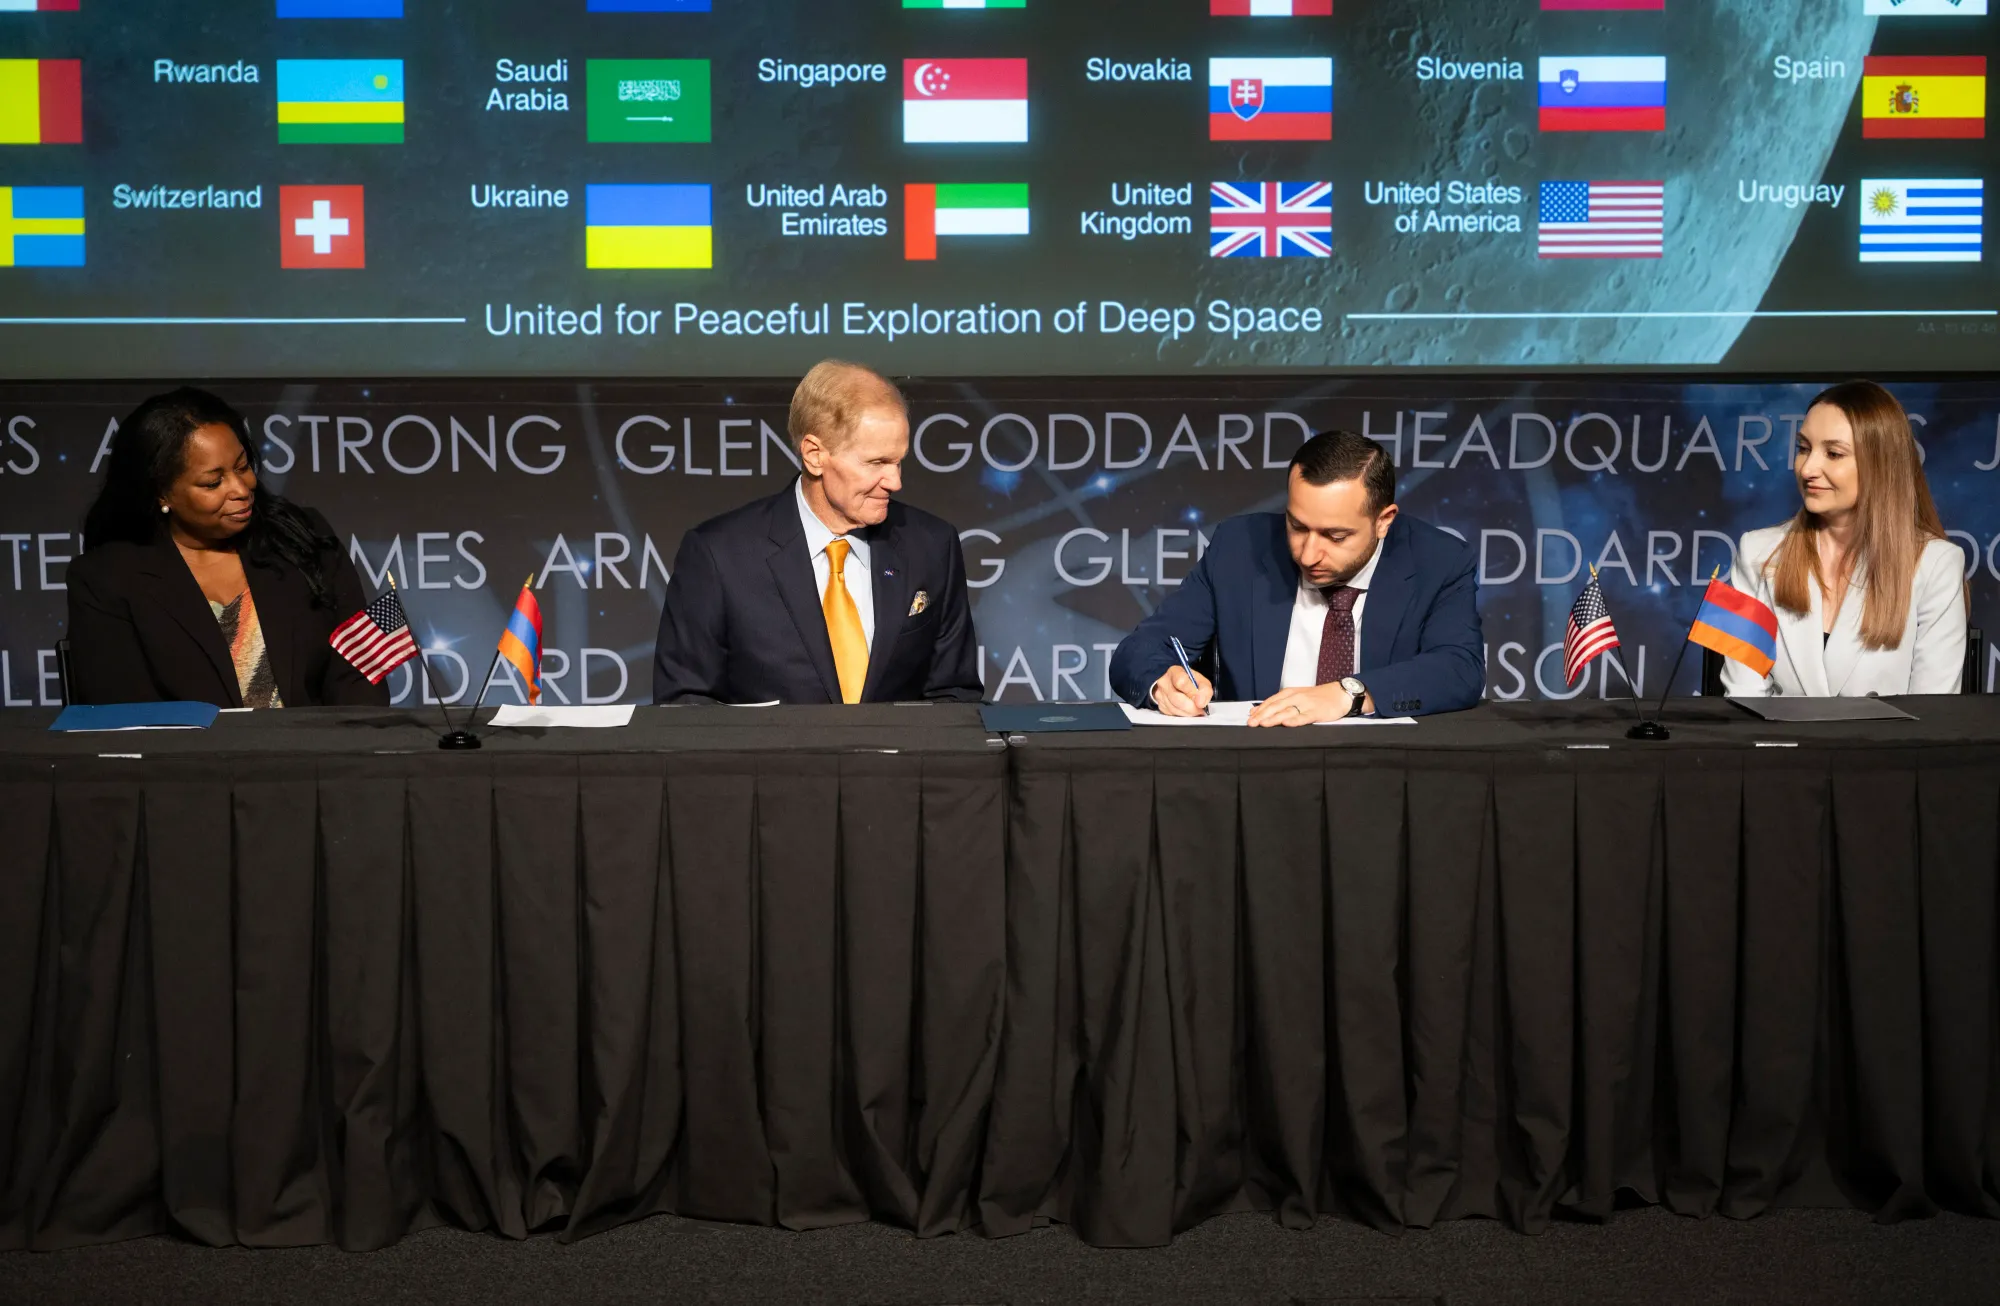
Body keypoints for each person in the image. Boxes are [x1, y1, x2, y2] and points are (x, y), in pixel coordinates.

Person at [652, 359, 983, 704]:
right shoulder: (719, 556)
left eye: (898, 461)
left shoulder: (931, 545)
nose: (895, 482)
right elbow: (684, 706)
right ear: (814, 455)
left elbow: (954, 695)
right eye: (876, 463)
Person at [1109, 427, 1483, 723]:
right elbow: (1139, 652)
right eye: (1297, 526)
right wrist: (1163, 683)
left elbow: (1458, 669)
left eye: (1335, 536)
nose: (1308, 553)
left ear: (1383, 520)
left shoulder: (1439, 560)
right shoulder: (1240, 548)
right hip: (1256, 768)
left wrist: (1347, 693)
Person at [65, 387, 389, 708]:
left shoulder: (301, 536)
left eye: (242, 466)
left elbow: (356, 675)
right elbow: (124, 714)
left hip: (317, 756)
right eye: (213, 482)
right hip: (186, 759)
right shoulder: (106, 579)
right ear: (161, 494)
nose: (241, 488)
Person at [1722, 380, 1967, 698]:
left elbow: (1933, 714)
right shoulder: (1753, 552)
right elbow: (1743, 697)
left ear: (1880, 465)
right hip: (1778, 748)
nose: (1808, 468)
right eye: (1804, 448)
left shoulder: (1937, 564)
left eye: (1834, 453)